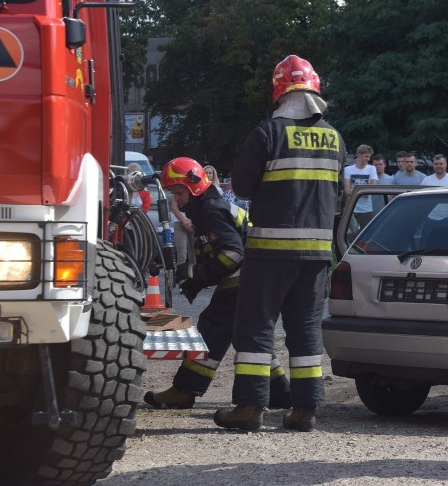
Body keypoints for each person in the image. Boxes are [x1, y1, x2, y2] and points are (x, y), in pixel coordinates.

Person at [218, 55, 345, 432]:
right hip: (317, 252)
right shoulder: (334, 137)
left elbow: (240, 187)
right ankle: (305, 410)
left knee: (256, 325)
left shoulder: (268, 133)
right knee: (305, 328)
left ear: (278, 92)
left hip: (272, 250)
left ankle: (249, 407)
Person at [144, 157, 291, 411]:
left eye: (178, 193)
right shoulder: (208, 208)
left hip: (245, 278)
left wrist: (195, 274)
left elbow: (233, 254)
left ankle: (184, 390)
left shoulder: (212, 211)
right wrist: (195, 278)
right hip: (257, 277)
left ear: (194, 186)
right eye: (172, 194)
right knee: (246, 336)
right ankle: (279, 392)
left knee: (213, 327)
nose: (175, 200)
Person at [344, 144, 379, 229]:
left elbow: (372, 189)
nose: (368, 159)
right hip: (351, 208)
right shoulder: (348, 169)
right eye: (366, 156)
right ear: (359, 155)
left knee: (365, 234)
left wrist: (356, 191)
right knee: (351, 235)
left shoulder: (371, 169)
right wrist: (364, 190)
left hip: (366, 208)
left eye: (369, 157)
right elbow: (347, 191)